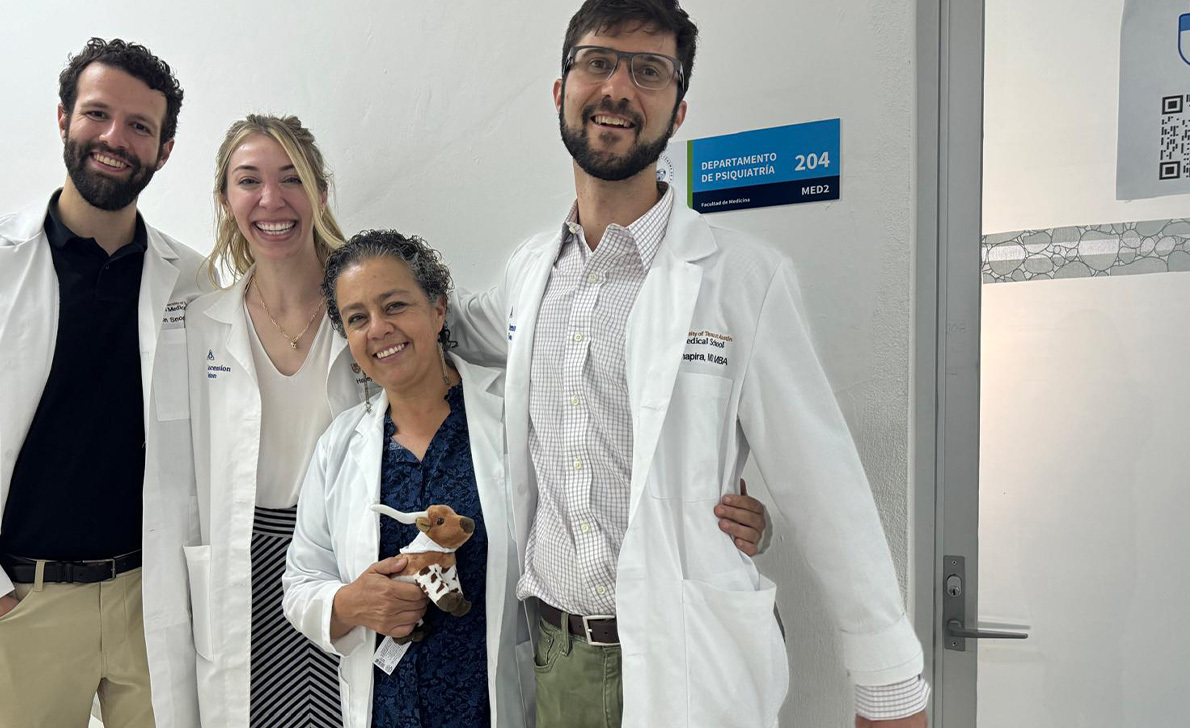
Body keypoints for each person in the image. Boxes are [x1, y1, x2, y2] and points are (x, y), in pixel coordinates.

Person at [451, 1, 930, 726]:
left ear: (678, 111)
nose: (617, 88)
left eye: (649, 71)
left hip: (685, 660)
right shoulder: (529, 274)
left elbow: (823, 480)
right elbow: (429, 324)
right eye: (597, 62)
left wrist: (889, 682)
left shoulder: (739, 277)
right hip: (554, 662)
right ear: (561, 91)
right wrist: (315, 262)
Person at [0, 38, 206, 727]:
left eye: (139, 127)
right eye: (98, 114)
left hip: (150, 602)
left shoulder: (189, 277)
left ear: (164, 149)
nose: (114, 138)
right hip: (21, 602)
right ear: (62, 118)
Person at [283, 230, 531, 728]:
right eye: (357, 318)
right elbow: (300, 581)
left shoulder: (514, 416)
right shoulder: (340, 444)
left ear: (439, 310)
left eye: (394, 305)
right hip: (386, 713)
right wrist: (349, 602)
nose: (378, 329)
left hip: (492, 708)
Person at [185, 114, 355, 727]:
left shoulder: (367, 313)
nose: (271, 200)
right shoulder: (200, 324)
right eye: (248, 180)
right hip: (243, 574)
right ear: (226, 201)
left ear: (320, 192)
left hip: (347, 566)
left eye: (291, 179)